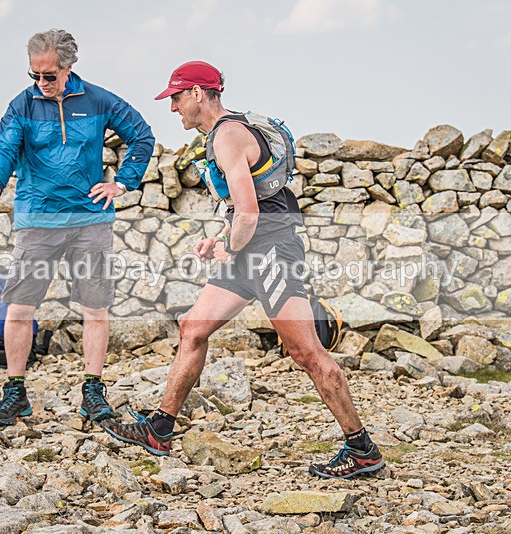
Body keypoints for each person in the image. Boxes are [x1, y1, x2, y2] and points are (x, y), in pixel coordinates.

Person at [103, 61, 384, 479]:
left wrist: (230, 250)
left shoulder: (229, 136)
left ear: (199, 93)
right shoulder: (225, 134)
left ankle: (362, 450)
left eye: (176, 97)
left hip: (271, 251)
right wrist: (221, 240)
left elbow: (251, 215)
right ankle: (160, 429)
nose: (173, 107)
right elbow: (243, 208)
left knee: (305, 353)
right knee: (193, 329)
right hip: (250, 251)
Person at [0, 29, 155, 427]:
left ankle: (92, 389)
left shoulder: (99, 100)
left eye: (49, 75)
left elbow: (141, 135)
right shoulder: (23, 104)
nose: (41, 83)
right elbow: (4, 148)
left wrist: (122, 182)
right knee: (20, 307)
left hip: (90, 219)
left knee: (95, 307)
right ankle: (15, 390)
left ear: (69, 68)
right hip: (38, 219)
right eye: (34, 74)